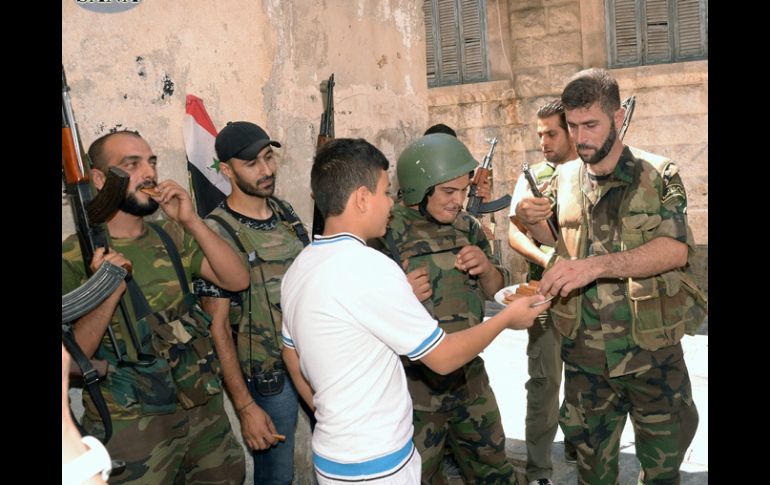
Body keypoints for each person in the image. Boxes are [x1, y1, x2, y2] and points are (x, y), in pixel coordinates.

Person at [280, 138, 546, 484]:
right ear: (363, 198)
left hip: (344, 452)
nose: (390, 202)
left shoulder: (301, 266)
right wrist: (507, 319)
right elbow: (442, 356)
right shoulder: (373, 260)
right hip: (392, 438)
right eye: (385, 192)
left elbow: (290, 353)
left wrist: (329, 412)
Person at [516, 68, 704, 485]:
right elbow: (561, 247)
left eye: (591, 125)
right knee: (592, 473)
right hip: (585, 363)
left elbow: (674, 250)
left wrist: (593, 266)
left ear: (617, 119)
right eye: (573, 126)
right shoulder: (561, 179)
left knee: (662, 472)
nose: (580, 137)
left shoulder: (659, 175)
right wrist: (537, 226)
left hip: (651, 356)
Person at [61, 130, 248, 484]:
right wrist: (107, 292)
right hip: (132, 429)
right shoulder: (74, 255)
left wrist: (190, 221)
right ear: (100, 179)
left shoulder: (171, 235)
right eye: (132, 164)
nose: (149, 173)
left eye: (152, 162)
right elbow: (70, 362)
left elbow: (238, 279)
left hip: (201, 413)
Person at [375, 133, 516, 483]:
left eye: (463, 191)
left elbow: (498, 292)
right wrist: (399, 294)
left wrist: (486, 268)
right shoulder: (385, 232)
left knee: (496, 471)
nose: (459, 201)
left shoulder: (466, 227)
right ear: (419, 189)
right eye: (448, 192)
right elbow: (363, 311)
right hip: (414, 390)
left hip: (470, 381)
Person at [193, 121, 309, 485]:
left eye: (268, 157)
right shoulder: (216, 232)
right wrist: (245, 407)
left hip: (312, 360)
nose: (267, 170)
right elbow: (217, 328)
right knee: (277, 476)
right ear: (226, 170)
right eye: (253, 163)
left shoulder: (286, 213)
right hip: (269, 377)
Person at [507, 100, 578, 485]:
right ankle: (538, 470)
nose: (544, 142)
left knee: (587, 380)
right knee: (545, 383)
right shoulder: (534, 176)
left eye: (552, 133)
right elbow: (514, 231)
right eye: (540, 135)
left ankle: (577, 444)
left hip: (588, 297)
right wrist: (546, 255)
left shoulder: (591, 173)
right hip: (546, 296)